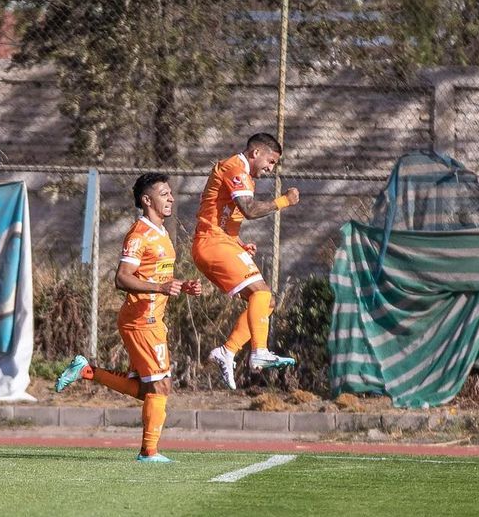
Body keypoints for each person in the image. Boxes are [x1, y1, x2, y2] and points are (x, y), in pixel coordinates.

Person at [55, 172, 201, 463]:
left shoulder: (162, 233)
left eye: (171, 193)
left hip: (152, 318)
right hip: (142, 320)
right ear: (147, 200)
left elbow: (155, 276)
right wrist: (160, 288)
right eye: (164, 193)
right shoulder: (139, 235)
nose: (171, 198)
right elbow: (122, 278)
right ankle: (149, 452)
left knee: (148, 389)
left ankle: (87, 371)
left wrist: (180, 286)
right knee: (161, 386)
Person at [192, 132, 299, 390]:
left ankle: (227, 351)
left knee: (266, 301)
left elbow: (223, 215)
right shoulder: (235, 168)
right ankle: (259, 351)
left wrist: (237, 243)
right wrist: (284, 201)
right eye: (270, 161)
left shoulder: (245, 175)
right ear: (255, 153)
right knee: (262, 292)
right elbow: (249, 210)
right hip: (211, 243)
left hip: (221, 242)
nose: (271, 168)